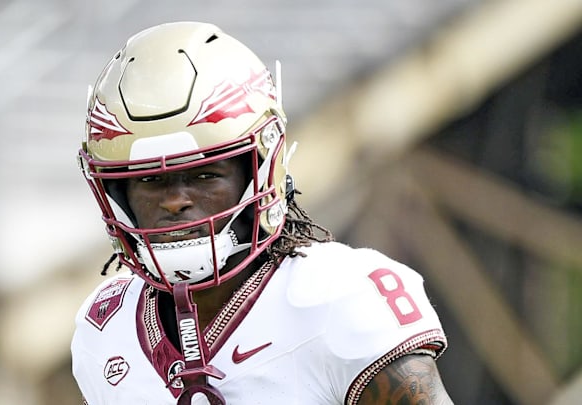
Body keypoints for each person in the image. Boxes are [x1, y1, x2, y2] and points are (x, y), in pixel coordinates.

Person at [71, 21, 452, 405]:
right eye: (151, 181)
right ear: (116, 191)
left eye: (205, 174)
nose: (175, 202)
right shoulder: (106, 328)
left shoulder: (339, 299)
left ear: (259, 169)